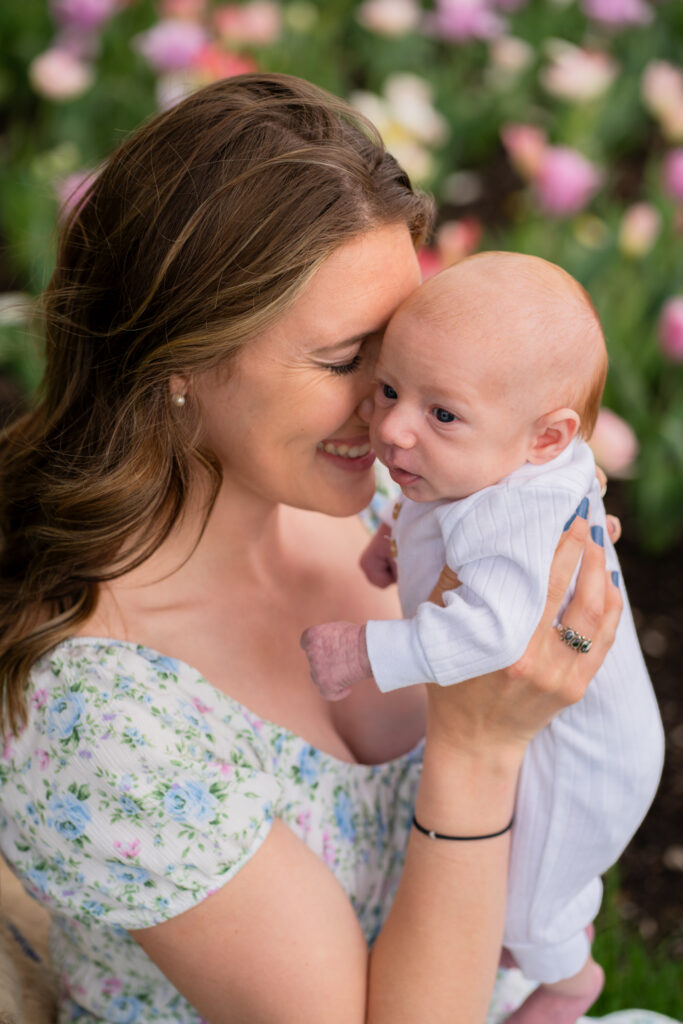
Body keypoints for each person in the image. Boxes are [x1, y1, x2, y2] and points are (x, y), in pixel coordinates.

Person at [0, 72, 652, 1024]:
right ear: (180, 358)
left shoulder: (376, 480)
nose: (393, 405)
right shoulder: (104, 718)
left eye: (401, 351)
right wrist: (477, 744)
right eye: (348, 361)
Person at [300, 252, 665, 1023]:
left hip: (589, 751)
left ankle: (567, 978)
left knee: (531, 897)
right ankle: (516, 937)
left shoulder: (519, 512)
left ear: (543, 440)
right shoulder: (481, 459)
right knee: (524, 866)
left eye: (441, 414)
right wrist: (391, 544)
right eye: (389, 388)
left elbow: (494, 633)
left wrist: (365, 652)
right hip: (549, 717)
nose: (391, 424)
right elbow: (436, 523)